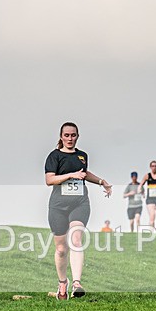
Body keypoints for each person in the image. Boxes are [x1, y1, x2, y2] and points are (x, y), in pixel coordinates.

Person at [44, 121, 112, 300]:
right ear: (61, 136)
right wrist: (70, 175)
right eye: (66, 135)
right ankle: (62, 283)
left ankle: (77, 284)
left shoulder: (82, 156)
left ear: (77, 136)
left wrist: (101, 182)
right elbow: (49, 180)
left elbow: (85, 173)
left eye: (73, 135)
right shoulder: (54, 156)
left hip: (79, 204)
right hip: (58, 206)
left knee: (76, 239)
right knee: (60, 249)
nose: (70, 138)